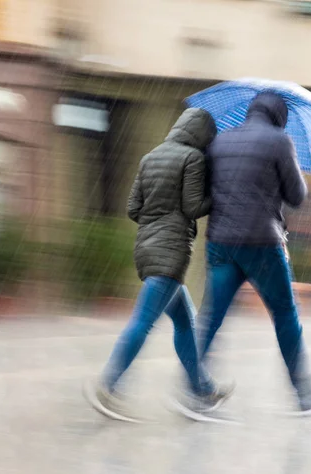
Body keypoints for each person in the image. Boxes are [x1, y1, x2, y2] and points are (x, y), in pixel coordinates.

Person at [195, 92, 311, 416]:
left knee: (212, 316)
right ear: (279, 115)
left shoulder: (220, 141)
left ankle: (193, 389)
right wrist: (289, 170)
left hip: (220, 241)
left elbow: (207, 190)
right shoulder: (279, 141)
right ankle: (305, 393)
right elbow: (297, 196)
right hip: (262, 242)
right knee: (285, 314)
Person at [84, 108, 233, 422]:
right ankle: (109, 386)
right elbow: (193, 206)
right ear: (203, 135)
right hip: (172, 249)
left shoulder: (150, 156)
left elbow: (133, 208)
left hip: (146, 247)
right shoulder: (193, 159)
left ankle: (202, 388)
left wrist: (158, 217)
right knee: (144, 321)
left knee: (185, 322)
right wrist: (217, 196)